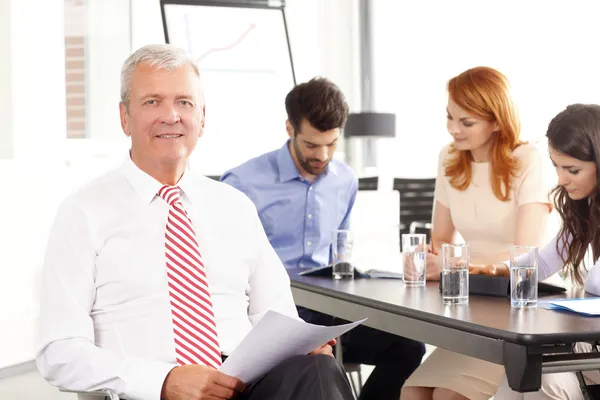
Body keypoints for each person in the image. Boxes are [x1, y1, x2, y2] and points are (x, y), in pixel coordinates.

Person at [35, 44, 355, 400]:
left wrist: (301, 344)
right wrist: (164, 381)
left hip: (245, 384)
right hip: (148, 389)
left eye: (184, 102)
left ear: (202, 118)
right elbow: (58, 353)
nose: (171, 115)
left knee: (320, 369)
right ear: (125, 117)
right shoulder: (83, 213)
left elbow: (278, 317)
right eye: (152, 101)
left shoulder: (236, 207)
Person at [221, 77, 426, 400]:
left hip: (326, 310)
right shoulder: (242, 183)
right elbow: (225, 272)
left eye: (332, 144)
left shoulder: (345, 180)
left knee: (408, 348)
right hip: (269, 316)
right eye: (312, 145)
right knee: (318, 368)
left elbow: (336, 254)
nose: (323, 155)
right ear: (290, 129)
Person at [401, 66, 552, 400]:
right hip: (471, 307)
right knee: (412, 392)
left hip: (517, 309)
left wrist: (455, 268)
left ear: (496, 120)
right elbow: (440, 240)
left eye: (466, 122)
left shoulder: (527, 160)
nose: (454, 130)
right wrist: (427, 262)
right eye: (450, 118)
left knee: (448, 396)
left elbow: (526, 259)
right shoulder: (449, 158)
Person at [495, 103, 600, 400]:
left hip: (592, 347)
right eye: (556, 166)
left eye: (573, 170)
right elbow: (541, 262)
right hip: (590, 344)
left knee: (540, 379)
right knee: (522, 379)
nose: (561, 179)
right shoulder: (588, 208)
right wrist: (493, 270)